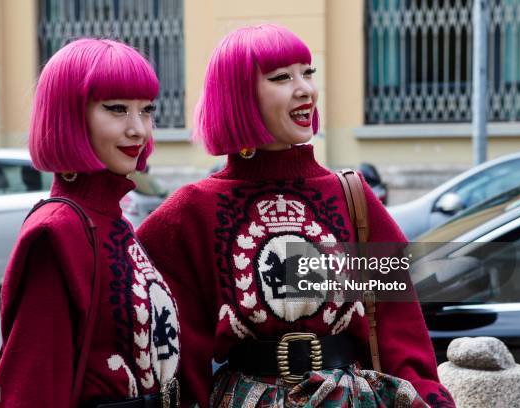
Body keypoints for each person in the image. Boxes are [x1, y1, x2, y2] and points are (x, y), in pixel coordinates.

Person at [137, 24, 455, 407]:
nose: (305, 88)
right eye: (281, 77)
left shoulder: (351, 195)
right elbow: (182, 357)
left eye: (308, 72)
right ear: (239, 96)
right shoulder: (190, 211)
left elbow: (398, 328)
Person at [0, 38, 180, 407]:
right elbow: (31, 387)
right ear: (69, 115)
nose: (138, 129)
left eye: (146, 110)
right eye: (117, 109)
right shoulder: (58, 231)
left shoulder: (115, 220)